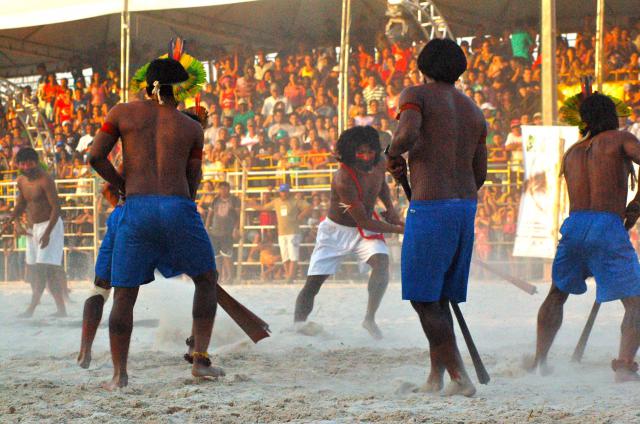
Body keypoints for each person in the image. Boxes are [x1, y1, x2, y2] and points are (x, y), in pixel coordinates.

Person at [88, 57, 222, 390]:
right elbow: (194, 178)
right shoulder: (192, 128)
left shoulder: (121, 113)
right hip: (178, 207)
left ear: (148, 87)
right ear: (181, 90)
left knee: (124, 295)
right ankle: (201, 359)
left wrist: (120, 183)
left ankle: (119, 375)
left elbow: (94, 157)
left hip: (136, 207)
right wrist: (183, 205)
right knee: (206, 280)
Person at [386, 39, 488, 397]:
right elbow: (480, 172)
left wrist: (393, 151)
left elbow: (408, 133)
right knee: (439, 297)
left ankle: (459, 377)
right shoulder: (474, 110)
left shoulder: (417, 94)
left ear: (422, 67)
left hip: (432, 206)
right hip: (464, 207)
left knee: (424, 300)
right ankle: (436, 376)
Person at [527, 93, 640, 382]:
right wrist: (636, 204)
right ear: (612, 116)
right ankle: (625, 365)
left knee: (556, 295)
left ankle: (540, 360)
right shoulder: (620, 139)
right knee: (635, 303)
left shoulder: (573, 151)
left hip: (575, 225)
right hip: (606, 225)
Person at [294, 126, 404, 339]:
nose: (366, 156)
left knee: (382, 264)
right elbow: (364, 220)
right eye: (360, 152)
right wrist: (399, 229)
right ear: (350, 152)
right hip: (336, 232)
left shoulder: (379, 162)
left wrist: (390, 208)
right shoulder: (343, 177)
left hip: (365, 230)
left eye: (370, 151)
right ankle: (298, 326)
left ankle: (369, 319)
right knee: (313, 284)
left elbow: (381, 185)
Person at [5, 148, 67, 318]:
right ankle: (61, 309)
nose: (26, 166)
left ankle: (31, 308)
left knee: (43, 269)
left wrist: (47, 233)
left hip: (51, 225)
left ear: (36, 162)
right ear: (18, 165)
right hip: (33, 229)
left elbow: (56, 208)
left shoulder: (45, 180)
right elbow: (21, 203)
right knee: (35, 269)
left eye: (30, 163)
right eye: (23, 163)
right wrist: (12, 220)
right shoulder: (21, 180)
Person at [250, 184, 312, 283]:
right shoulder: (276, 202)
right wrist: (252, 205)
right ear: (280, 192)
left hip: (293, 232)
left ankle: (290, 276)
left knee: (293, 255)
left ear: (288, 192)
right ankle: (289, 276)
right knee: (285, 256)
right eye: (282, 191)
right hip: (282, 233)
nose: (283, 193)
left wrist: (301, 216)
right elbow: (264, 208)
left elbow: (308, 207)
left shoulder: (295, 201)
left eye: (285, 191)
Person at [205, 181, 240, 284]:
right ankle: (218, 278)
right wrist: (207, 227)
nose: (223, 191)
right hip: (215, 231)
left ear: (229, 189)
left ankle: (230, 278)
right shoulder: (215, 200)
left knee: (227, 255)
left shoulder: (234, 200)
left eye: (225, 188)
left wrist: (235, 229)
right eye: (221, 188)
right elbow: (210, 215)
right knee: (216, 256)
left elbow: (238, 216)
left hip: (227, 232)